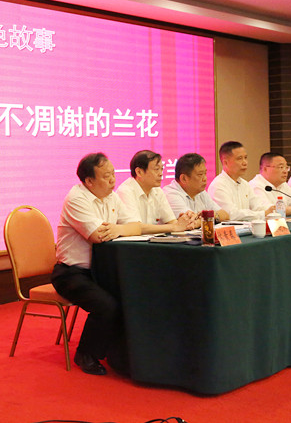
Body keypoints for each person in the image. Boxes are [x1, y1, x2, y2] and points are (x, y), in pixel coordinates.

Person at [52, 153, 142, 376]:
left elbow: (135, 226)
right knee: (107, 305)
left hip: (100, 270)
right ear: (89, 181)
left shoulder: (111, 196)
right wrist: (120, 229)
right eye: (106, 176)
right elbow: (97, 236)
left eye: (113, 173)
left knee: (132, 296)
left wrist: (118, 229)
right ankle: (85, 354)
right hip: (71, 273)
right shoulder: (76, 199)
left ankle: (122, 355)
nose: (113, 180)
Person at [116, 150, 195, 233]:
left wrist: (185, 222)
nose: (161, 174)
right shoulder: (125, 191)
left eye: (161, 169)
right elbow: (135, 227)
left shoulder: (157, 190)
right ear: (139, 172)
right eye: (156, 169)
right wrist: (174, 227)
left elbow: (171, 221)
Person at [208, 141, 273, 220]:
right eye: (239, 159)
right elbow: (231, 214)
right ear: (225, 163)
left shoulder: (244, 184)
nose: (245, 163)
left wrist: (272, 210)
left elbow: (257, 206)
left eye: (245, 158)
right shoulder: (218, 185)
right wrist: (262, 214)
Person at [163, 152, 229, 223]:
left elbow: (225, 215)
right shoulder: (171, 194)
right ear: (184, 178)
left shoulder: (201, 192)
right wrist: (208, 217)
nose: (205, 178)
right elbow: (190, 221)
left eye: (205, 173)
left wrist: (212, 215)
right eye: (200, 174)